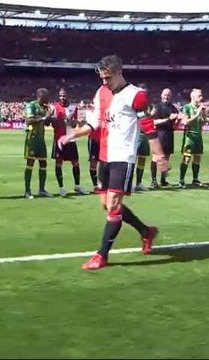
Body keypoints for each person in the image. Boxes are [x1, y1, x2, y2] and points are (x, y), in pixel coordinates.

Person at [58, 55, 165, 271]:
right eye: (101, 78)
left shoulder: (137, 96)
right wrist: (71, 135)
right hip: (105, 155)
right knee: (106, 205)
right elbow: (93, 124)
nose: (104, 82)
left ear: (119, 72)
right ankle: (146, 231)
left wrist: (159, 155)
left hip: (123, 157)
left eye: (108, 77)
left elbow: (148, 127)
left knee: (114, 205)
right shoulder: (101, 93)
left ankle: (102, 255)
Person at [51, 88, 86, 197]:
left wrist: (72, 121)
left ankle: (77, 186)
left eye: (64, 95)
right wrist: (61, 121)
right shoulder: (55, 108)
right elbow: (52, 124)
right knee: (58, 163)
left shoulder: (73, 108)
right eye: (61, 95)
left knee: (75, 162)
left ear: (67, 96)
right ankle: (61, 188)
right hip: (59, 139)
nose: (62, 98)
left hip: (70, 139)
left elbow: (75, 125)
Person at [24, 88, 53, 199]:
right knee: (30, 163)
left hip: (41, 139)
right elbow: (29, 121)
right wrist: (45, 117)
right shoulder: (31, 106)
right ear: (41, 96)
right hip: (32, 139)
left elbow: (46, 123)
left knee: (43, 164)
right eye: (46, 98)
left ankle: (42, 190)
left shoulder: (44, 107)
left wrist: (49, 115)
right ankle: (27, 191)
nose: (48, 100)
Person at [150, 88, 179, 188]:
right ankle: (153, 181)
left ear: (171, 97)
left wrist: (177, 120)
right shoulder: (157, 107)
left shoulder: (174, 108)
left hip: (169, 134)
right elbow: (153, 122)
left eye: (168, 95)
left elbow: (175, 125)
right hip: (159, 134)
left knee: (166, 157)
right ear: (161, 95)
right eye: (165, 95)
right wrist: (168, 119)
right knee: (156, 157)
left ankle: (163, 180)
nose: (166, 97)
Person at [179, 89, 206, 188]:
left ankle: (195, 179)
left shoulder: (199, 108)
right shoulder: (186, 108)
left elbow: (203, 122)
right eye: (199, 96)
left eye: (201, 95)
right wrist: (197, 114)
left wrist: (203, 114)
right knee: (186, 158)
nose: (201, 97)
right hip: (189, 136)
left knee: (197, 158)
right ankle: (181, 180)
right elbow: (185, 122)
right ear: (193, 97)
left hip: (199, 136)